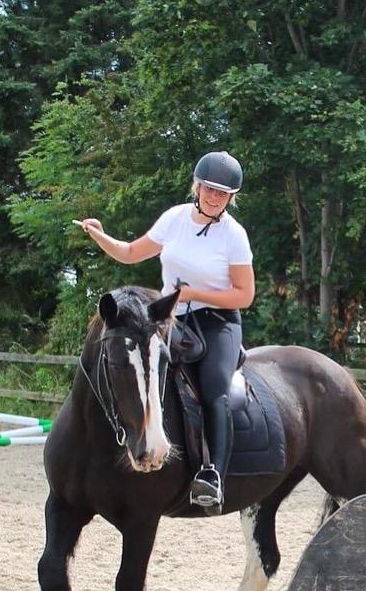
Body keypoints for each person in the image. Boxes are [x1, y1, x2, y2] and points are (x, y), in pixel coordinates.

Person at [76, 151, 255, 511]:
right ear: (198, 186)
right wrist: (100, 236)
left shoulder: (234, 235)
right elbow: (129, 252)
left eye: (223, 193)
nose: (215, 197)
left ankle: (212, 475)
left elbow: (245, 295)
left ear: (230, 198)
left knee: (213, 390)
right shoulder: (174, 219)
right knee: (131, 369)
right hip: (166, 318)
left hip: (217, 322)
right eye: (210, 189)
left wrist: (190, 293)